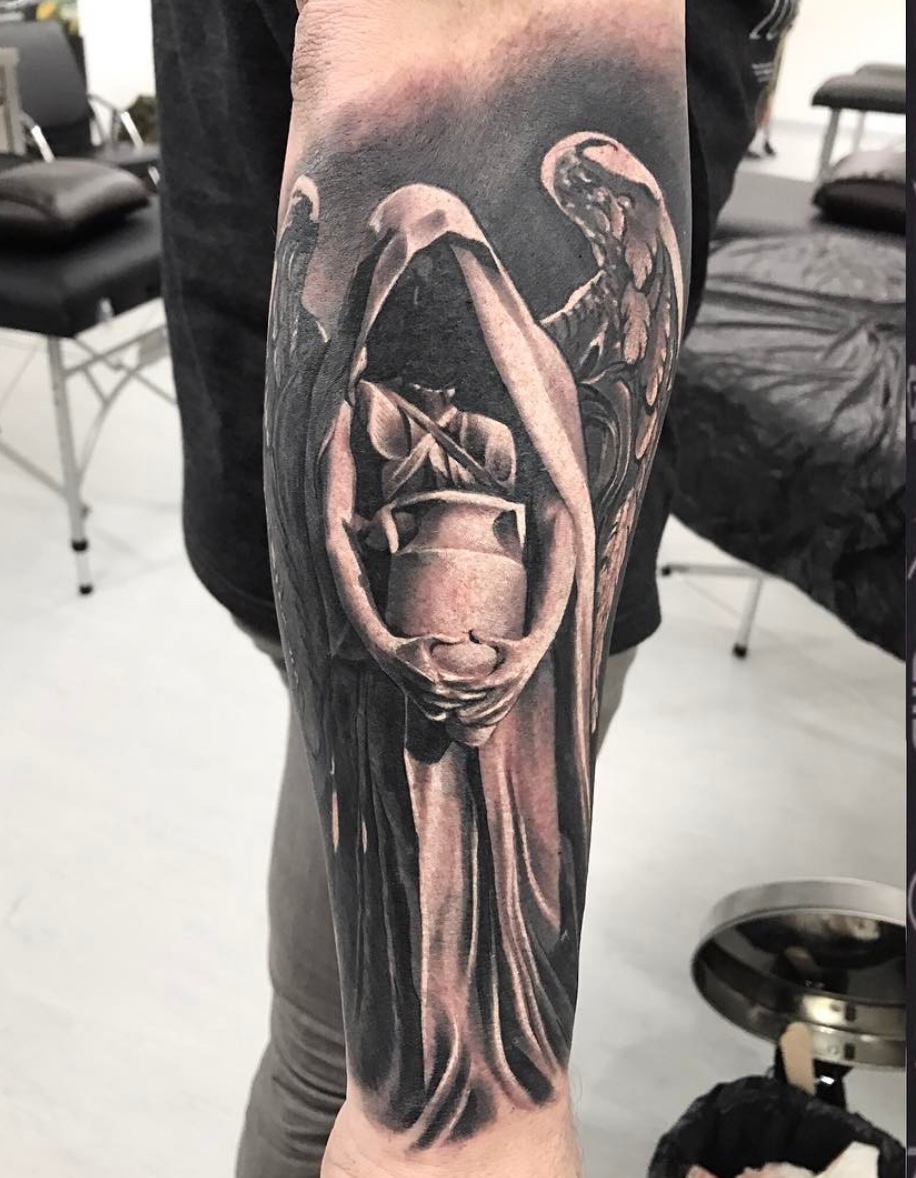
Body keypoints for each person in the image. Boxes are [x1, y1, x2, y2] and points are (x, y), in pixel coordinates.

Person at [150, 2, 789, 1174]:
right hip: (404, 597)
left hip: (478, 580)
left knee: (351, 1018)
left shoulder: (502, 414)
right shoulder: (423, 401)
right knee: (364, 1066)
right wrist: (471, 1128)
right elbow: (480, 44)